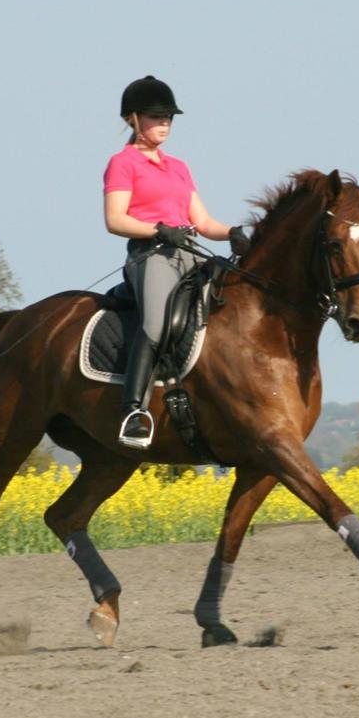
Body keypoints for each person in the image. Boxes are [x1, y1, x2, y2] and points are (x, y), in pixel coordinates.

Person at [103, 75, 251, 449]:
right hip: (151, 257)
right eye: (156, 116)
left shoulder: (179, 167)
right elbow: (115, 219)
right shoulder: (122, 163)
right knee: (156, 321)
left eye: (169, 116)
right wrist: (158, 230)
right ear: (133, 119)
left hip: (188, 254)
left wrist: (232, 231)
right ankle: (133, 411)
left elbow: (202, 222)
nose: (165, 123)